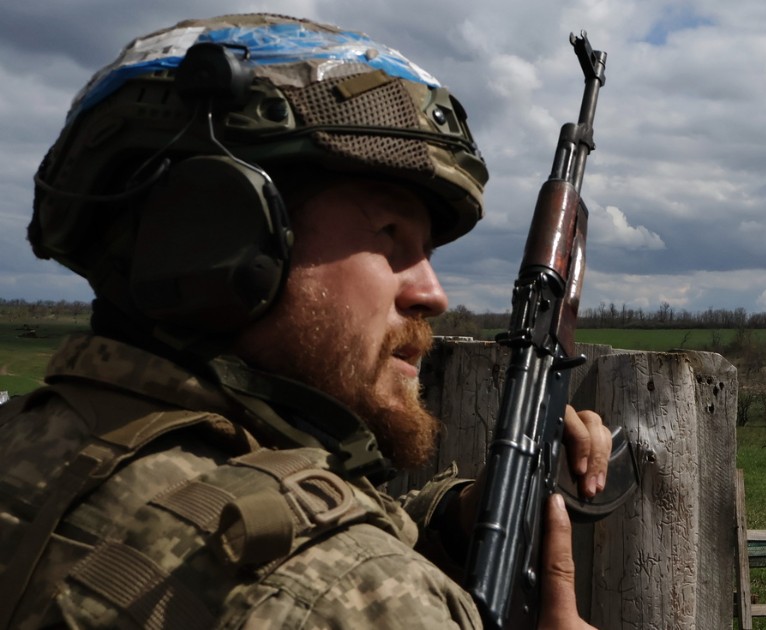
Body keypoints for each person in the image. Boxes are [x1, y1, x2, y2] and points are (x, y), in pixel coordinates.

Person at [0, 14, 610, 629]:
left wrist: (463, 516)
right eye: (390, 236)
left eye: (428, 252)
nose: (432, 293)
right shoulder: (366, 600)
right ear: (215, 237)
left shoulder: (33, 446)